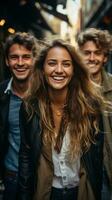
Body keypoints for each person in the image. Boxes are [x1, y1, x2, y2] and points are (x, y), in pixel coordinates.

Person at [18, 38, 107, 200]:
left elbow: (97, 159)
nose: (59, 70)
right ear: (42, 68)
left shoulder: (90, 107)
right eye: (52, 63)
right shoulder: (30, 107)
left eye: (66, 64)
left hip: (82, 192)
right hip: (45, 192)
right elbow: (25, 157)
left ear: (74, 70)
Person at [0, 31, 39, 200]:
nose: (20, 63)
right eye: (14, 57)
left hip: (42, 178)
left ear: (34, 60)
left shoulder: (46, 93)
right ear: (7, 61)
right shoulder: (2, 93)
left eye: (26, 57)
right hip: (11, 178)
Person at [77, 28, 112, 199]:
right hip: (80, 168)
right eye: (87, 53)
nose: (92, 58)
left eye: (97, 53)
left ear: (105, 57)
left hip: (107, 167)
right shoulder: (71, 87)